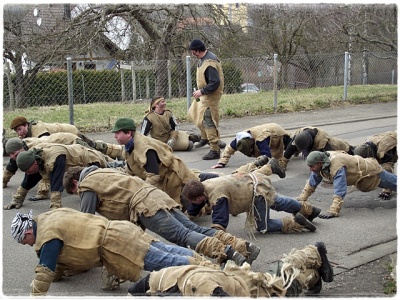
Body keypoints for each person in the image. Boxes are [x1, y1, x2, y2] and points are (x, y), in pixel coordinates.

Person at [63, 165, 260, 266]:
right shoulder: (105, 170)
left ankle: (229, 254)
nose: (79, 195)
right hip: (157, 195)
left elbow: (86, 219)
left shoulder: (87, 184)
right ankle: (244, 247)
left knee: (182, 236)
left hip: (145, 205)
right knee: (194, 228)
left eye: (75, 193)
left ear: (75, 183)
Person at [10, 208, 223, 296]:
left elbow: (45, 271)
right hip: (120, 229)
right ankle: (206, 264)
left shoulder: (47, 238)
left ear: (28, 230)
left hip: (116, 244)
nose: (26, 244)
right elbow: (59, 262)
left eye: (24, 240)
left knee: (165, 261)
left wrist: (34, 295)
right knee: (164, 250)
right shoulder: (49, 216)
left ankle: (211, 274)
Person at [128, 241, 334, 297]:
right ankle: (315, 274)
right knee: (283, 275)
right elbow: (135, 290)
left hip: (250, 290)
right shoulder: (160, 279)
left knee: (285, 282)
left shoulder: (200, 288)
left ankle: (313, 252)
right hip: (231, 278)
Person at [182, 166, 321, 234]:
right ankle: (309, 210)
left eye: (192, 201)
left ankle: (295, 222)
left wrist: (214, 234)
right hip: (253, 181)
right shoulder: (204, 185)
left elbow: (220, 221)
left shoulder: (217, 196)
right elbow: (195, 206)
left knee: (263, 227)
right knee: (277, 201)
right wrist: (185, 218)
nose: (191, 204)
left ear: (200, 197)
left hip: (256, 194)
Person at [112, 117, 218, 204]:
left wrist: (140, 195)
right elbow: (131, 167)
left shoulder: (145, 148)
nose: (115, 136)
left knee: (190, 203)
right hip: (163, 179)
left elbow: (153, 176)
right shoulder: (128, 146)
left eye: (117, 133)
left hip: (173, 177)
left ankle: (214, 183)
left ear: (128, 133)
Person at [4, 143, 119, 210]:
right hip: (77, 168)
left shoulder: (55, 157)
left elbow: (56, 182)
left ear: (34, 163)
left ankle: (125, 166)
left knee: (112, 177)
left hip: (90, 160)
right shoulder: (34, 158)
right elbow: (29, 179)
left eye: (28, 171)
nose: (27, 173)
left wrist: (55, 209)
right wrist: (17, 199)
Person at [298, 150, 397, 219]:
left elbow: (340, 189)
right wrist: (301, 199)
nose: (310, 169)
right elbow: (312, 182)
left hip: (372, 172)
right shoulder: (320, 163)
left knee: (395, 183)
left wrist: (333, 210)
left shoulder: (337, 166)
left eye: (312, 166)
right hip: (362, 177)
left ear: (319, 163)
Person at [9, 116, 123, 159]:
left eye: (19, 129)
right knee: (92, 146)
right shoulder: (27, 135)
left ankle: (118, 153)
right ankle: (117, 151)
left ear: (26, 125)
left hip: (70, 133)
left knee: (91, 150)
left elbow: (47, 150)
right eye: (16, 131)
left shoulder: (37, 130)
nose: (19, 134)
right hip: (64, 136)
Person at [188, 38, 225, 160]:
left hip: (210, 96)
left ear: (197, 51)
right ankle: (205, 137)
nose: (192, 53)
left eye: (193, 51)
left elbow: (215, 83)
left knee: (208, 119)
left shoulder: (209, 64)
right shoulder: (203, 59)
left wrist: (202, 91)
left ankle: (214, 148)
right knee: (194, 113)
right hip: (203, 95)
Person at [211, 123, 292, 169]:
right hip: (266, 131)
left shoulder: (261, 140)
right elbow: (228, 149)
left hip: (277, 132)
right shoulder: (239, 140)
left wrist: (257, 167)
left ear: (252, 142)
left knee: (290, 147)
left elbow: (267, 157)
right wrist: (222, 162)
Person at [281, 126, 354, 170]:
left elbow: (331, 157)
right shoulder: (298, 136)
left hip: (334, 144)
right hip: (305, 140)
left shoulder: (322, 142)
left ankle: (354, 149)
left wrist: (327, 170)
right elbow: (289, 151)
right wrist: (283, 162)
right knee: (291, 147)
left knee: (342, 147)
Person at [353, 130, 397, 200]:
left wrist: (386, 191)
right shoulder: (363, 146)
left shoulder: (385, 148)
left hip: (389, 146)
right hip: (377, 145)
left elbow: (386, 166)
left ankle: (388, 189)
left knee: (385, 169)